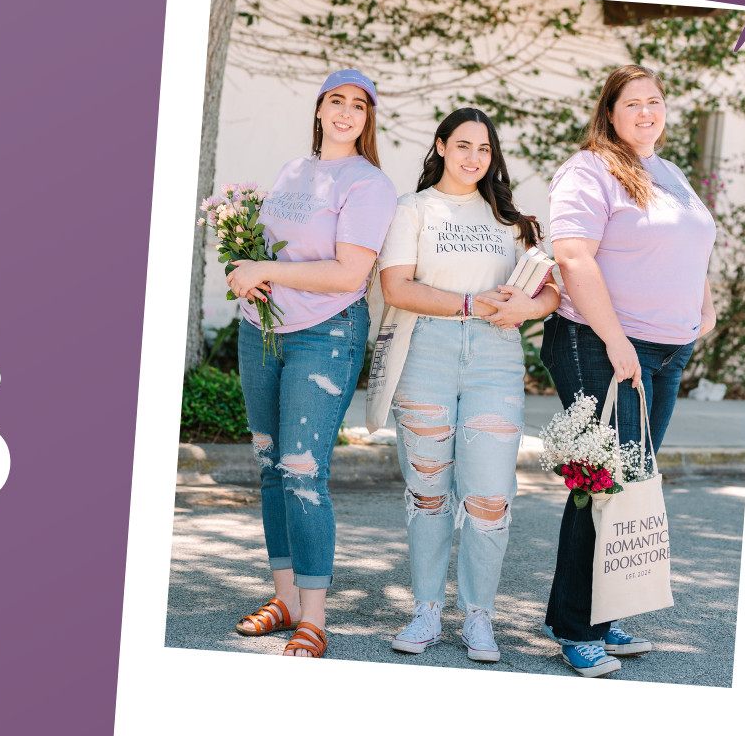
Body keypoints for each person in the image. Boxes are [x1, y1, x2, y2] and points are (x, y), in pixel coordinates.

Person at [540, 64, 717, 678]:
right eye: (633, 103)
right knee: (602, 484)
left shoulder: (667, 172)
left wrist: (704, 309)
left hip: (666, 350)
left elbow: (689, 245)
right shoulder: (589, 170)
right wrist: (616, 342)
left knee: (629, 482)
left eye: (656, 102)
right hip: (602, 345)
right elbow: (572, 257)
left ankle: (601, 608)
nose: (647, 112)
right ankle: (575, 628)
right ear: (609, 113)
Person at [374, 108, 558, 663]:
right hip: (426, 350)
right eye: (463, 145)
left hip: (496, 359)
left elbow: (551, 295)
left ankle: (479, 618)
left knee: (488, 494)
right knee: (428, 491)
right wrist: (472, 303)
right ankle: (426, 610)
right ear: (440, 146)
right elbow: (397, 288)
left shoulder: (513, 221)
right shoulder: (413, 210)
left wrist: (529, 308)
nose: (474, 157)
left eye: (484, 148)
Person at [225, 69, 398, 658]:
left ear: (368, 119)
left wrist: (266, 272)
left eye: (359, 105)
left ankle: (315, 616)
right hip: (263, 330)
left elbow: (350, 273)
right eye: (336, 101)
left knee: (303, 471)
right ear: (320, 110)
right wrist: (246, 270)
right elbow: (274, 248)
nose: (347, 112)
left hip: (325, 335)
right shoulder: (294, 171)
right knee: (271, 465)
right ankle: (285, 599)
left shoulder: (368, 183)